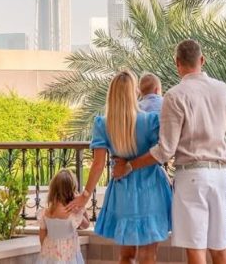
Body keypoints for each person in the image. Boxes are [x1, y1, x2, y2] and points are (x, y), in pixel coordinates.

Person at [112, 40, 226, 264]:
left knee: (195, 247)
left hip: (192, 177)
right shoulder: (222, 89)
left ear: (177, 63)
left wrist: (130, 165)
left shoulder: (175, 95)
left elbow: (165, 150)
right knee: (220, 246)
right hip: (221, 175)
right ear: (202, 60)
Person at [69, 70, 172, 264]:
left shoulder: (103, 124)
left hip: (122, 192)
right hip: (151, 189)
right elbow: (161, 154)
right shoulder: (150, 121)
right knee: (149, 254)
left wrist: (85, 195)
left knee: (126, 255)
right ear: (134, 92)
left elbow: (98, 164)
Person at [37, 169, 90, 264]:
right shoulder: (72, 213)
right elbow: (86, 225)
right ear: (72, 190)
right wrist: (82, 206)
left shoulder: (46, 212)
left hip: (49, 255)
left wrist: (46, 249)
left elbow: (42, 234)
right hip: (69, 256)